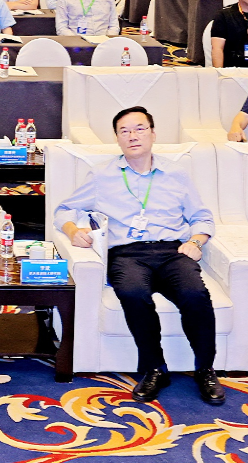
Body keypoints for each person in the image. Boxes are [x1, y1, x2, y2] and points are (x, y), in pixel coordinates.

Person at [54, 106, 223, 403]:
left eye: (140, 129)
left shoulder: (176, 174)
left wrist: (196, 242)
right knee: (133, 294)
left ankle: (205, 369)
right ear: (117, 138)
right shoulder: (102, 175)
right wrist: (72, 230)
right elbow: (63, 210)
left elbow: (202, 217)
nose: (132, 136)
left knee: (194, 294)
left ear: (153, 133)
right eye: (125, 131)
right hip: (126, 254)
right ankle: (155, 368)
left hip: (172, 251)